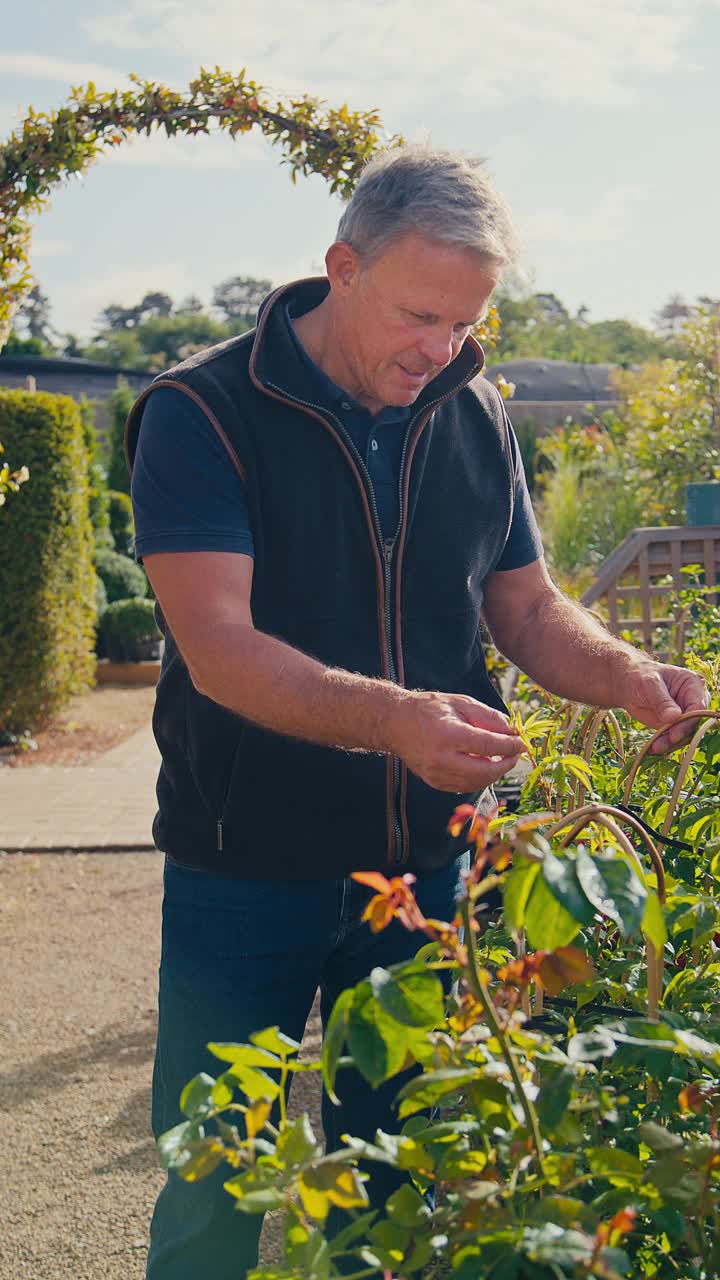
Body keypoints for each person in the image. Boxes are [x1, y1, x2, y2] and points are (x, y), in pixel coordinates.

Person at [127, 146, 707, 1279]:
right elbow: (220, 648)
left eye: (464, 322)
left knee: (390, 1186)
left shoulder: (475, 412)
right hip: (245, 865)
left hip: (425, 879)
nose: (441, 348)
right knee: (213, 1183)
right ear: (342, 267)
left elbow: (528, 608)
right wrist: (395, 720)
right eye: (419, 314)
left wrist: (630, 672)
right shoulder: (201, 411)